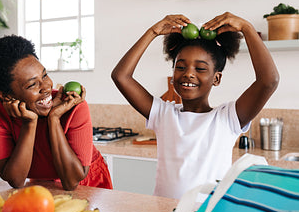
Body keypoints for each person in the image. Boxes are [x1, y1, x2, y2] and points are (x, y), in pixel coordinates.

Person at [111, 12, 279, 199]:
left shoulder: (227, 118)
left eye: (200, 69)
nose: (188, 74)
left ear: (217, 78)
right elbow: (121, 76)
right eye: (180, 67)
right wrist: (153, 32)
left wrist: (246, 28)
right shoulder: (163, 114)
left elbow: (268, 81)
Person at [0, 35, 112, 191]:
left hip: (89, 183)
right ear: (6, 96)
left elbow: (71, 182)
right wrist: (30, 123)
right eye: (32, 84)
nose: (46, 87)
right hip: (41, 184)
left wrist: (53, 118)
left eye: (45, 75)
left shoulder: (72, 105)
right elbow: (16, 180)